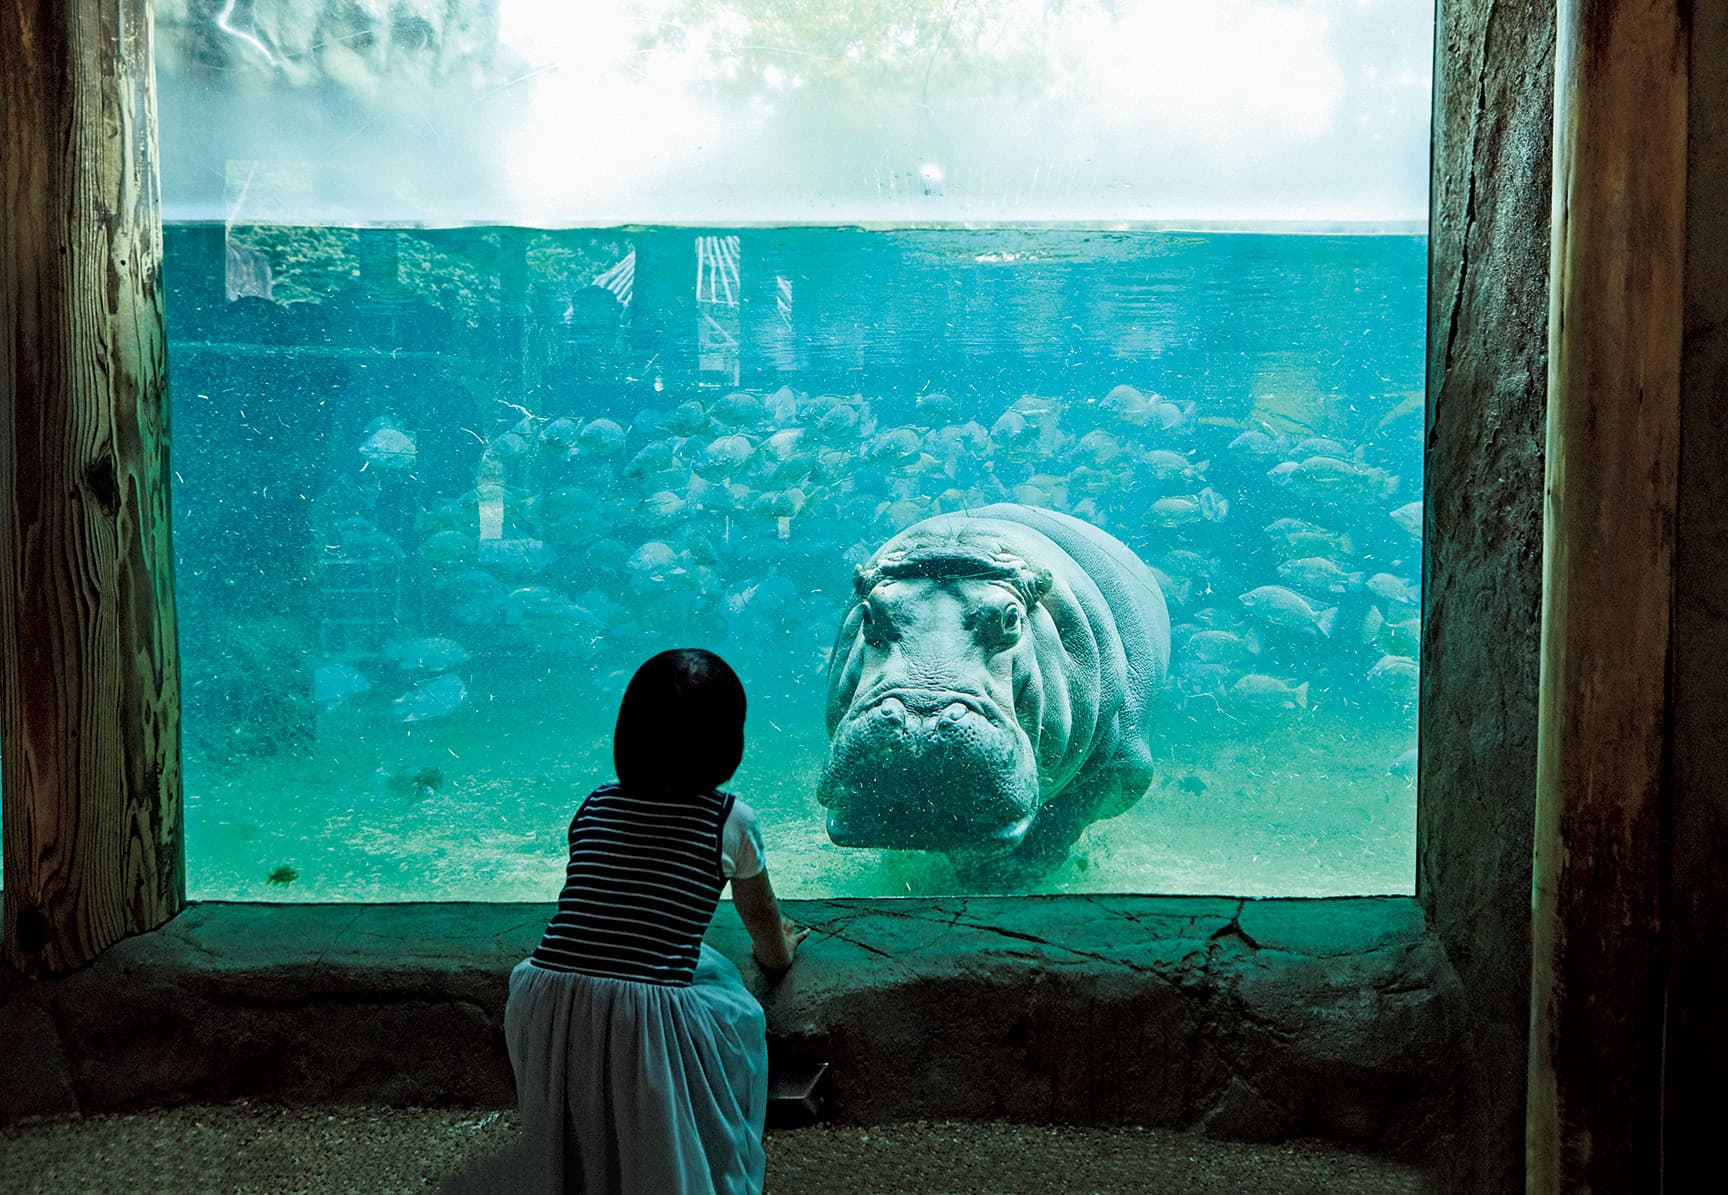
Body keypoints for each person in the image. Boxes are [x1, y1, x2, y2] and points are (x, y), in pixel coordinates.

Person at [449, 648, 807, 1194]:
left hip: (545, 1000)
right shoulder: (730, 821)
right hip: (648, 1014)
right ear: (728, 744)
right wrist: (781, 951)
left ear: (628, 732)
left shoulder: (594, 804)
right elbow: (765, 933)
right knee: (736, 1015)